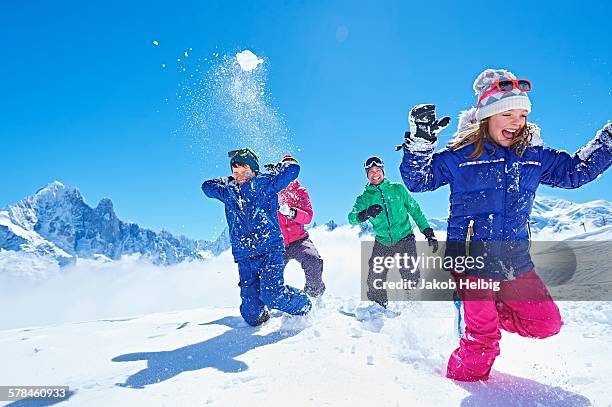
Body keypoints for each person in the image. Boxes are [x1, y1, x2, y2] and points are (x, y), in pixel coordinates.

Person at [399, 68, 612, 382]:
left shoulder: (534, 157)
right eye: (508, 113)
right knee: (482, 344)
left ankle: (485, 313)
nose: (517, 121)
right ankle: (454, 386)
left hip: (514, 261)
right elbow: (418, 180)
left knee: (546, 323)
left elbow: (575, 172)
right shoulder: (461, 156)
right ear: (486, 116)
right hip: (471, 260)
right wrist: (420, 142)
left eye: (523, 114)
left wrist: (608, 141)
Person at [202, 148, 312, 327]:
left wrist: (279, 169)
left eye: (245, 171)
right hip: (245, 256)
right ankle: (262, 316)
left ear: (254, 170)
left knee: (273, 296)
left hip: (269, 250)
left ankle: (304, 304)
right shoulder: (228, 191)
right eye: (235, 172)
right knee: (251, 313)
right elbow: (206, 187)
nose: (240, 176)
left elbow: (294, 169)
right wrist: (225, 181)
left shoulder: (266, 183)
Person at [348, 156, 438, 308]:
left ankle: (412, 304)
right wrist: (365, 213)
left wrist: (427, 231)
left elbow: (415, 210)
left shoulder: (398, 189)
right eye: (371, 171)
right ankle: (379, 307)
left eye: (377, 170)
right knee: (375, 276)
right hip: (383, 241)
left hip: (405, 237)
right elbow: (351, 218)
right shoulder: (364, 198)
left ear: (383, 171)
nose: (375, 174)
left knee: (409, 270)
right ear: (367, 175)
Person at [275, 154, 326, 297]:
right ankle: (270, 303)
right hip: (278, 244)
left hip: (299, 240)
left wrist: (291, 212)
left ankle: (313, 295)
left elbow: (308, 216)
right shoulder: (274, 191)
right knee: (270, 273)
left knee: (314, 261)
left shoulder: (301, 192)